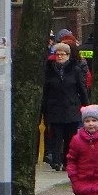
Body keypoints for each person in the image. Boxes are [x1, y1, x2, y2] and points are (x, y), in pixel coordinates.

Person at [41, 41, 88, 171]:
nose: (60, 57)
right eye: (57, 54)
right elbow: (45, 91)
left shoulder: (75, 70)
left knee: (70, 137)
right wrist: (43, 109)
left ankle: (67, 161)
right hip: (54, 108)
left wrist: (86, 106)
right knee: (56, 136)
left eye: (63, 54)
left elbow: (81, 89)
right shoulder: (49, 71)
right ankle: (56, 161)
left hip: (71, 108)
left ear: (68, 55)